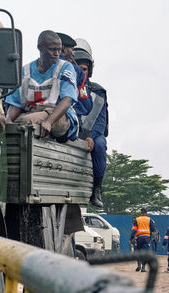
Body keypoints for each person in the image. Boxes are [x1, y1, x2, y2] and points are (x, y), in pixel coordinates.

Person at [5, 30, 79, 142]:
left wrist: (49, 122)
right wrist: (7, 122)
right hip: (32, 113)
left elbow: (67, 100)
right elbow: (15, 103)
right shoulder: (24, 71)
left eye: (59, 50)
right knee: (11, 126)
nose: (57, 54)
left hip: (59, 115)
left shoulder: (66, 67)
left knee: (24, 124)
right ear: (40, 48)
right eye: (52, 50)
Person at [72, 39, 108, 208]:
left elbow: (101, 122)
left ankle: (97, 189)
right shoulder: (64, 86)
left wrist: (91, 137)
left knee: (100, 144)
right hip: (70, 130)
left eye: (84, 69)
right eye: (78, 69)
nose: (81, 72)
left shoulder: (98, 92)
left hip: (91, 136)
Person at [131, 208, 156, 272]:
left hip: (138, 237)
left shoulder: (137, 219)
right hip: (146, 238)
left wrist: (131, 238)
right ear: (146, 212)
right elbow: (153, 229)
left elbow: (134, 230)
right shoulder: (149, 219)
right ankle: (143, 267)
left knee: (138, 252)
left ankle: (138, 265)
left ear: (141, 212)